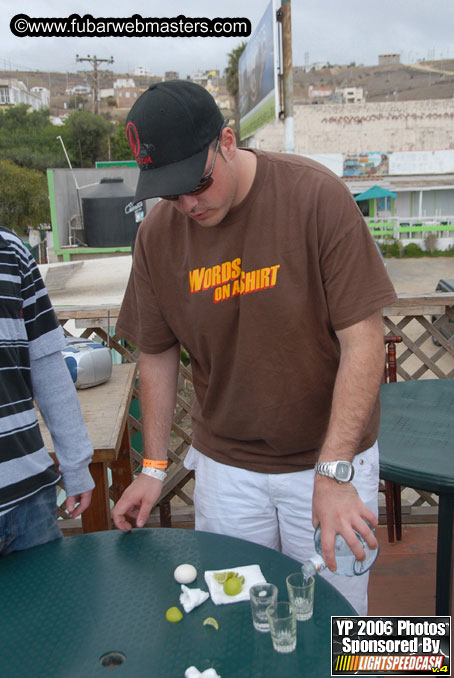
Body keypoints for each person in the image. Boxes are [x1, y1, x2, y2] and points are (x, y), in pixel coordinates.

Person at [112, 80, 397, 614]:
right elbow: (155, 352)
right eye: (170, 192)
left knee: (338, 625)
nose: (188, 204)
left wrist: (334, 474)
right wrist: (153, 467)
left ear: (226, 140)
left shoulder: (315, 196)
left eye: (197, 182)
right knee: (236, 621)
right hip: (227, 471)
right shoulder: (156, 235)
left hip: (329, 463)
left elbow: (364, 341)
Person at [0, 226, 94, 555]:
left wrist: (77, 466)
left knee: (48, 607)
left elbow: (48, 364)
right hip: (29, 500)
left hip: (29, 500)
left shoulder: (10, 249)